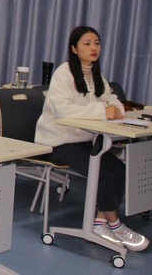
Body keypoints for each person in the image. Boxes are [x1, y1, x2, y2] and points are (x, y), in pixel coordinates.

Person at [35, 26, 148, 251]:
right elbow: (64, 111)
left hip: (84, 138)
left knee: (118, 169)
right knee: (103, 172)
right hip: (58, 140)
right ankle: (115, 224)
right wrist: (103, 111)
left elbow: (111, 99)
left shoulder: (95, 74)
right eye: (87, 43)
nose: (93, 47)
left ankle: (99, 222)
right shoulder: (64, 73)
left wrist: (115, 108)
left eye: (96, 43)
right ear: (74, 49)